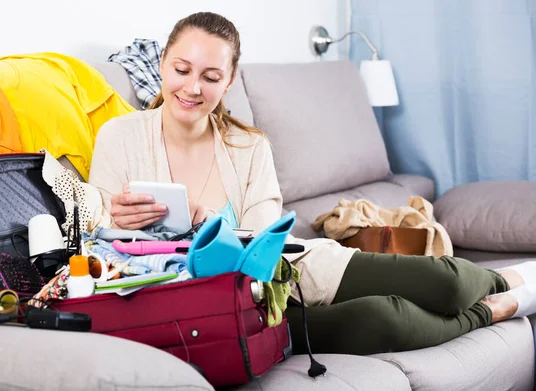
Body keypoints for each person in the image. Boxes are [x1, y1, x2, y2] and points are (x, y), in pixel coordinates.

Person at [88, 11, 536, 356]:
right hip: (221, 311)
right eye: (181, 69)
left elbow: (266, 246)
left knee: (449, 286)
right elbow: (95, 244)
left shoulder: (248, 146)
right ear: (164, 64)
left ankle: (513, 281)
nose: (191, 87)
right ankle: (491, 312)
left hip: (288, 276)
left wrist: (211, 225)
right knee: (385, 322)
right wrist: (112, 220)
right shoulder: (120, 137)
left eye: (210, 77)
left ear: (229, 82)